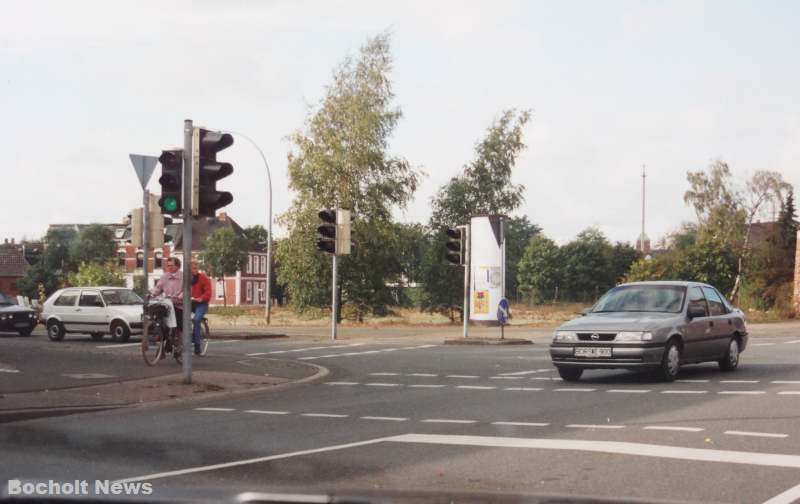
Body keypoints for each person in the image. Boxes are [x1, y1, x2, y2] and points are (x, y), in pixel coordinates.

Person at [149, 257, 184, 337]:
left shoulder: (183, 276)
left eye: (172, 265)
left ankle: (180, 339)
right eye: (168, 266)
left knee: (179, 323)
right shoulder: (164, 276)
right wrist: (152, 294)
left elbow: (187, 290)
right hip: (168, 304)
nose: (169, 267)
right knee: (161, 319)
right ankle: (163, 337)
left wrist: (180, 297)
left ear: (177, 266)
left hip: (179, 305)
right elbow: (158, 288)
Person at [190, 259, 212, 355]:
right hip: (189, 303)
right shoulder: (185, 278)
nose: (193, 270)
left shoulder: (203, 278)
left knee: (196, 319)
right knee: (180, 319)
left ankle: (197, 344)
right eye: (191, 268)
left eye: (195, 268)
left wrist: (201, 298)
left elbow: (208, 292)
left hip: (201, 304)